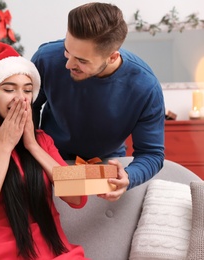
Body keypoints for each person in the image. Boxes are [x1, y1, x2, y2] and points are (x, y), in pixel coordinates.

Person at [0, 42, 89, 259]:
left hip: (58, 253)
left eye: (27, 90)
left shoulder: (41, 141)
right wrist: (4, 147)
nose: (21, 98)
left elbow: (78, 197)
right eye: (8, 89)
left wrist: (32, 145)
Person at [31, 2, 165, 201]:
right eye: (67, 51)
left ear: (112, 57)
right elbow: (29, 106)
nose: (68, 64)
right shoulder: (46, 58)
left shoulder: (146, 87)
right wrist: (31, 149)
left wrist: (128, 176)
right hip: (50, 156)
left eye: (82, 61)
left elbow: (152, 153)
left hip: (106, 163)